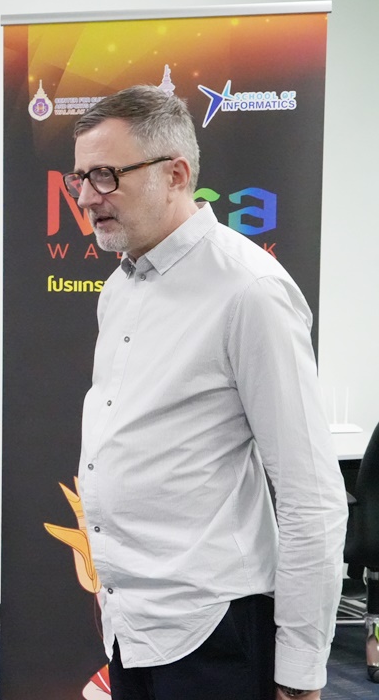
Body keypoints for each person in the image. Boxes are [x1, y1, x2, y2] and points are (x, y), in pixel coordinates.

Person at [68, 85, 347, 700]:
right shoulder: (119, 289)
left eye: (106, 175)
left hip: (213, 629)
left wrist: (300, 667)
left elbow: (312, 496)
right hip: (131, 621)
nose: (86, 197)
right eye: (81, 177)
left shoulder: (249, 290)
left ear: (175, 175)